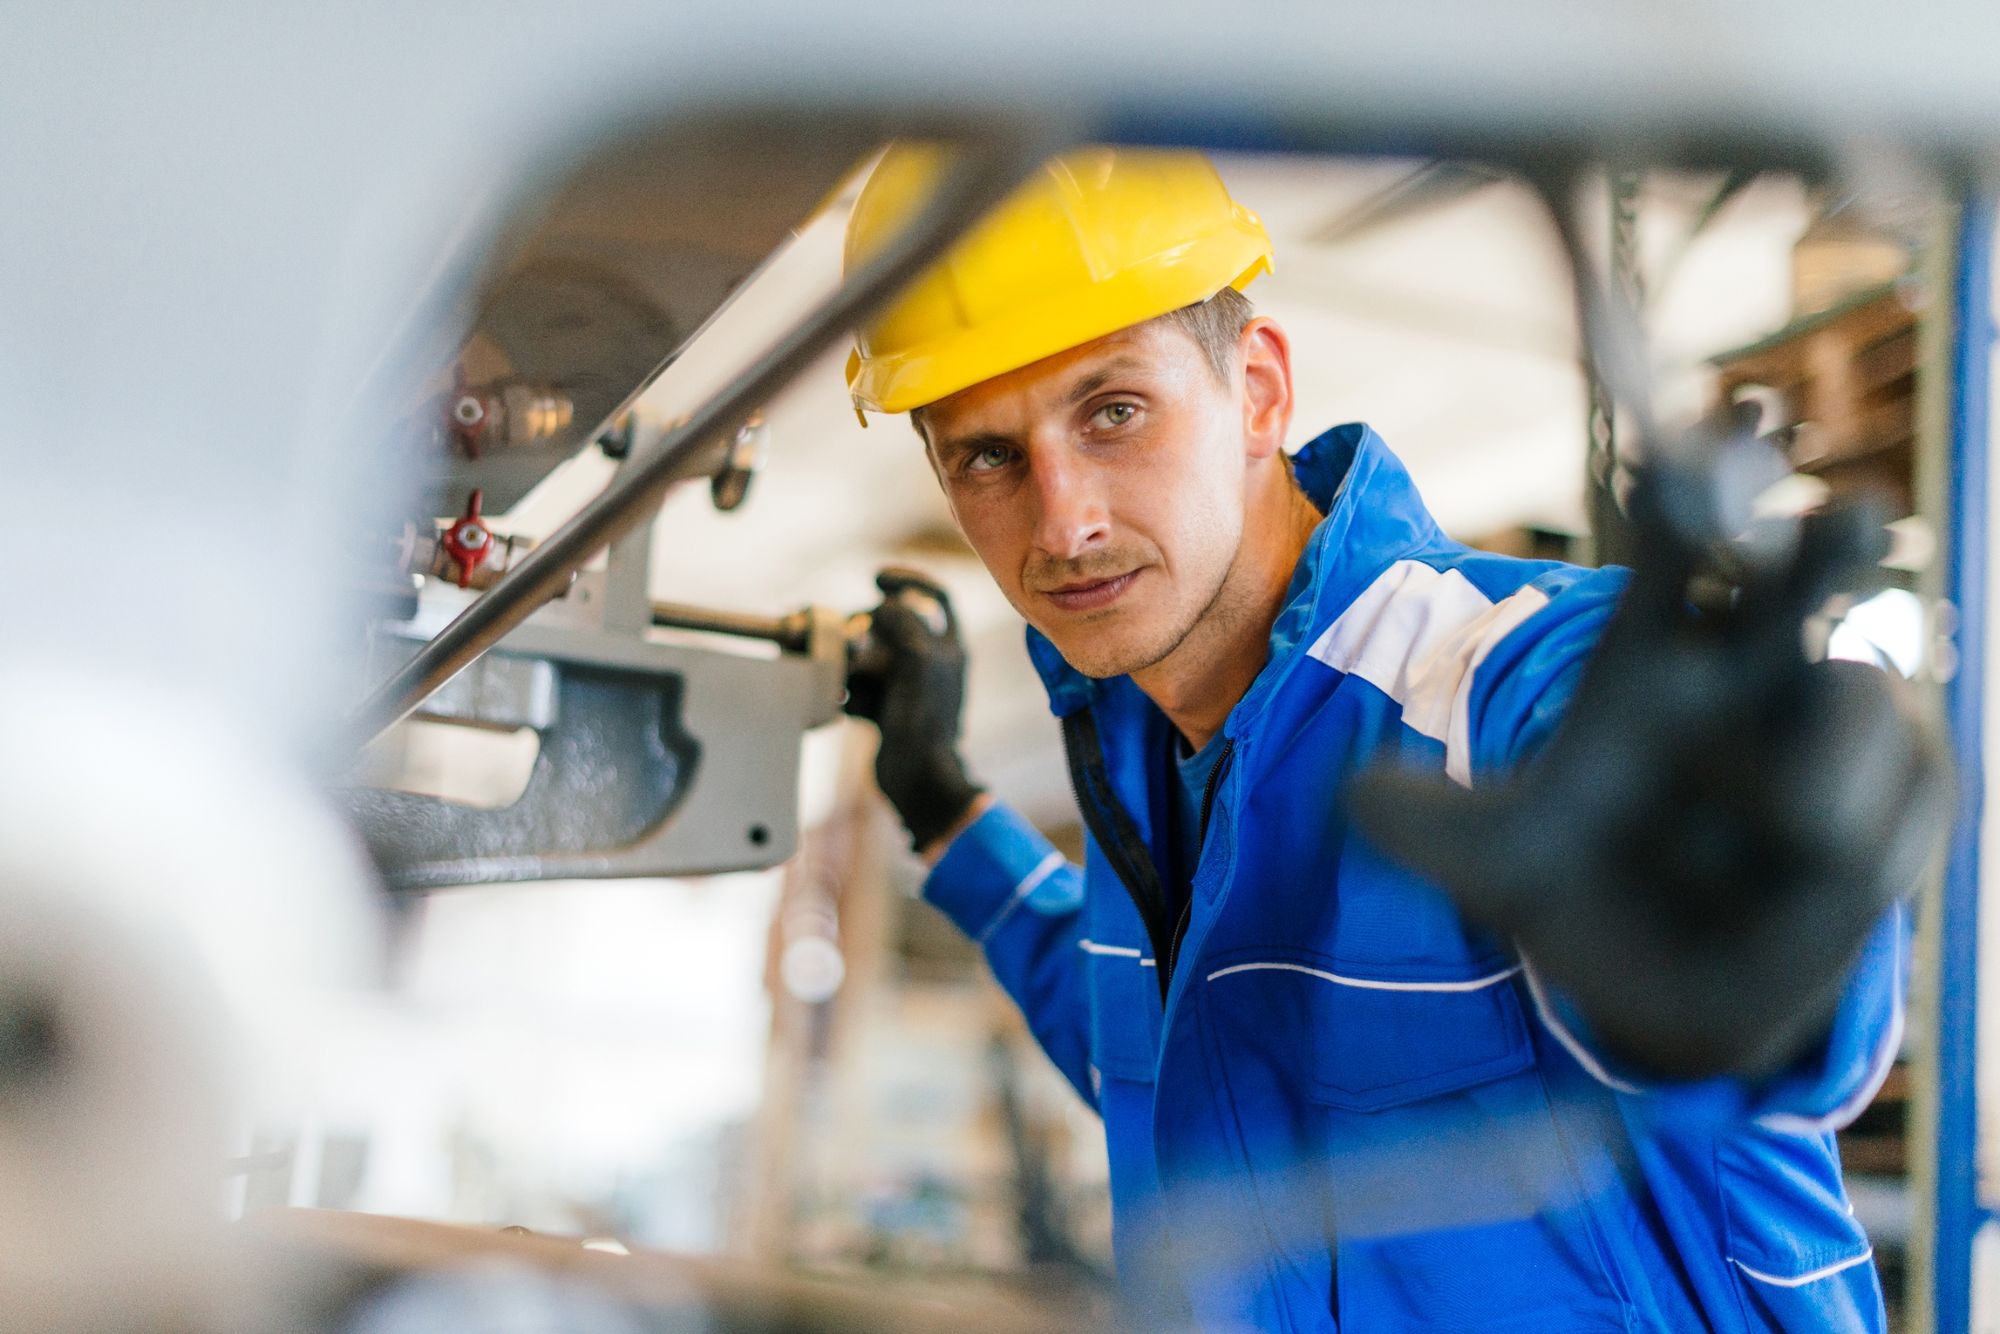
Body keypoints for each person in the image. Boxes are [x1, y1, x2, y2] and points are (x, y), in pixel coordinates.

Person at [840, 144, 1940, 1333]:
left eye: (1113, 410)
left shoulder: (1489, 682)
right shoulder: (1136, 747)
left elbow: (1731, 947)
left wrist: (1755, 946)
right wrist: (946, 811)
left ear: (1258, 389)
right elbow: (1178, 1056)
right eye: (988, 456)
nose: (1063, 521)